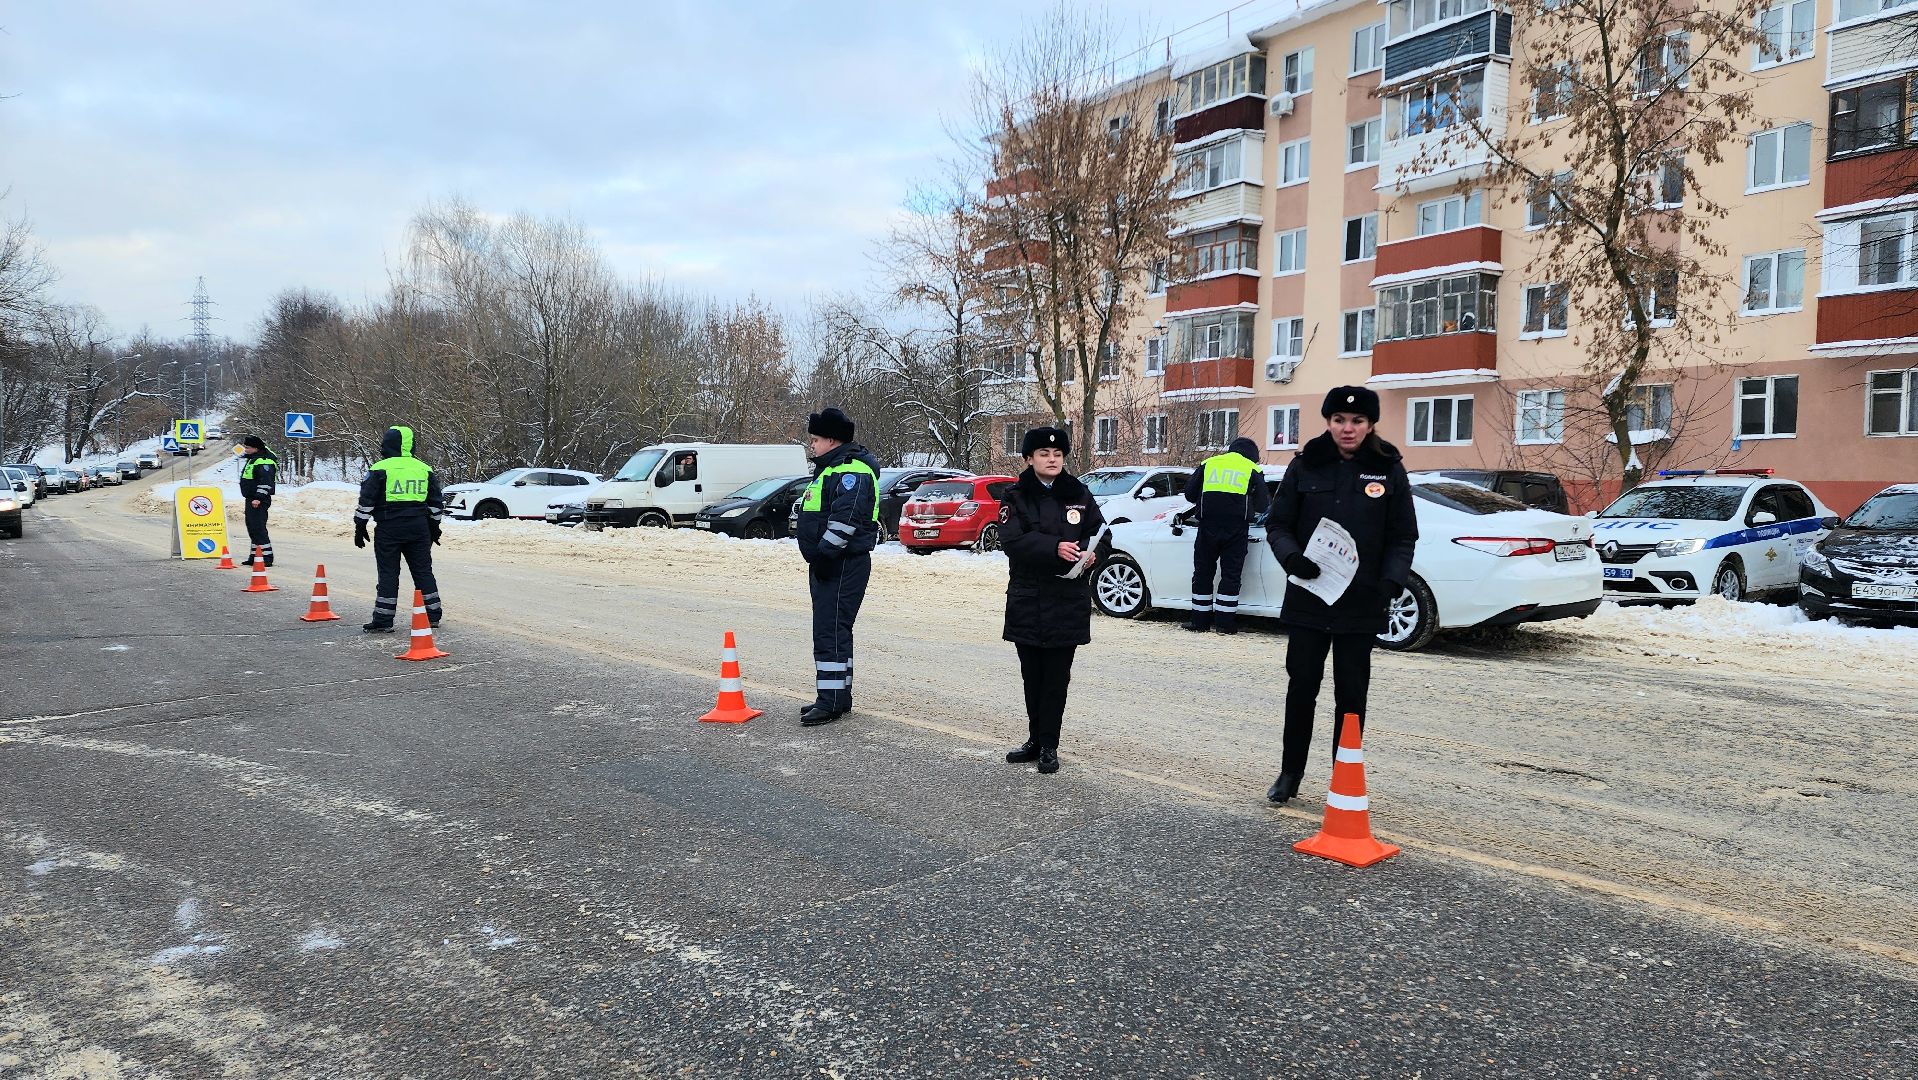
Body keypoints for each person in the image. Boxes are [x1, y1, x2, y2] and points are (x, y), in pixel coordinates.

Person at [1263, 386, 1418, 805]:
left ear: (1370, 425)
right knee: (1301, 688)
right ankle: (1290, 773)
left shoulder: (1388, 469)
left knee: (1351, 694)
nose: (1347, 429)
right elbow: (1277, 525)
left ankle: (1342, 778)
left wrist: (1391, 582)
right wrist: (1292, 559)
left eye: (1357, 422)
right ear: (1328, 421)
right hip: (1309, 598)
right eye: (1339, 420)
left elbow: (1403, 535)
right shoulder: (1305, 465)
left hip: (1361, 601)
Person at [999, 426, 1105, 775]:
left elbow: (1101, 533)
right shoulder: (1016, 496)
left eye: (1057, 454)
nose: (1052, 459)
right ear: (1029, 459)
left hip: (1066, 598)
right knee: (1032, 676)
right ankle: (1033, 739)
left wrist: (1094, 554)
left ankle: (1049, 746)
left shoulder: (1079, 493)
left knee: (1057, 678)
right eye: (1044, 454)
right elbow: (1012, 541)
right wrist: (1053, 547)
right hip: (1028, 597)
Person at [794, 407, 880, 726]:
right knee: (834, 630)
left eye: (815, 439)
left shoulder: (850, 470)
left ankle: (830, 701)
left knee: (830, 630)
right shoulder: (831, 469)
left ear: (832, 439)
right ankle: (837, 696)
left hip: (842, 562)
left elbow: (846, 519)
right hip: (833, 562)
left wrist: (824, 555)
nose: (812, 445)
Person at [353, 425, 446, 633]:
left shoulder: (380, 468)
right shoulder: (424, 469)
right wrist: (434, 527)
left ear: (388, 444)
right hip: (419, 528)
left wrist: (360, 525)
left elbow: (366, 501)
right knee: (423, 571)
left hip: (389, 528)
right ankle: (432, 615)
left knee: (388, 573)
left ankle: (384, 620)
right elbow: (435, 504)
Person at [1181, 435, 1270, 635]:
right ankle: (1224, 624)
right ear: (1252, 456)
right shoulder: (1252, 469)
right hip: (1236, 529)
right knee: (1231, 575)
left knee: (1203, 573)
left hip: (1207, 526)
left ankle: (1199, 622)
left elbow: (1188, 494)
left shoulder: (1209, 463)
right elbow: (1264, 504)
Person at [235, 435, 279, 567]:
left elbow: (266, 482)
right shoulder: (254, 459)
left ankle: (267, 557)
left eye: (247, 448)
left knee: (258, 528)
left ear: (255, 448)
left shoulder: (264, 461)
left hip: (258, 500)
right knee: (252, 528)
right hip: (251, 498)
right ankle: (255, 556)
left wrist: (258, 498)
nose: (245, 450)